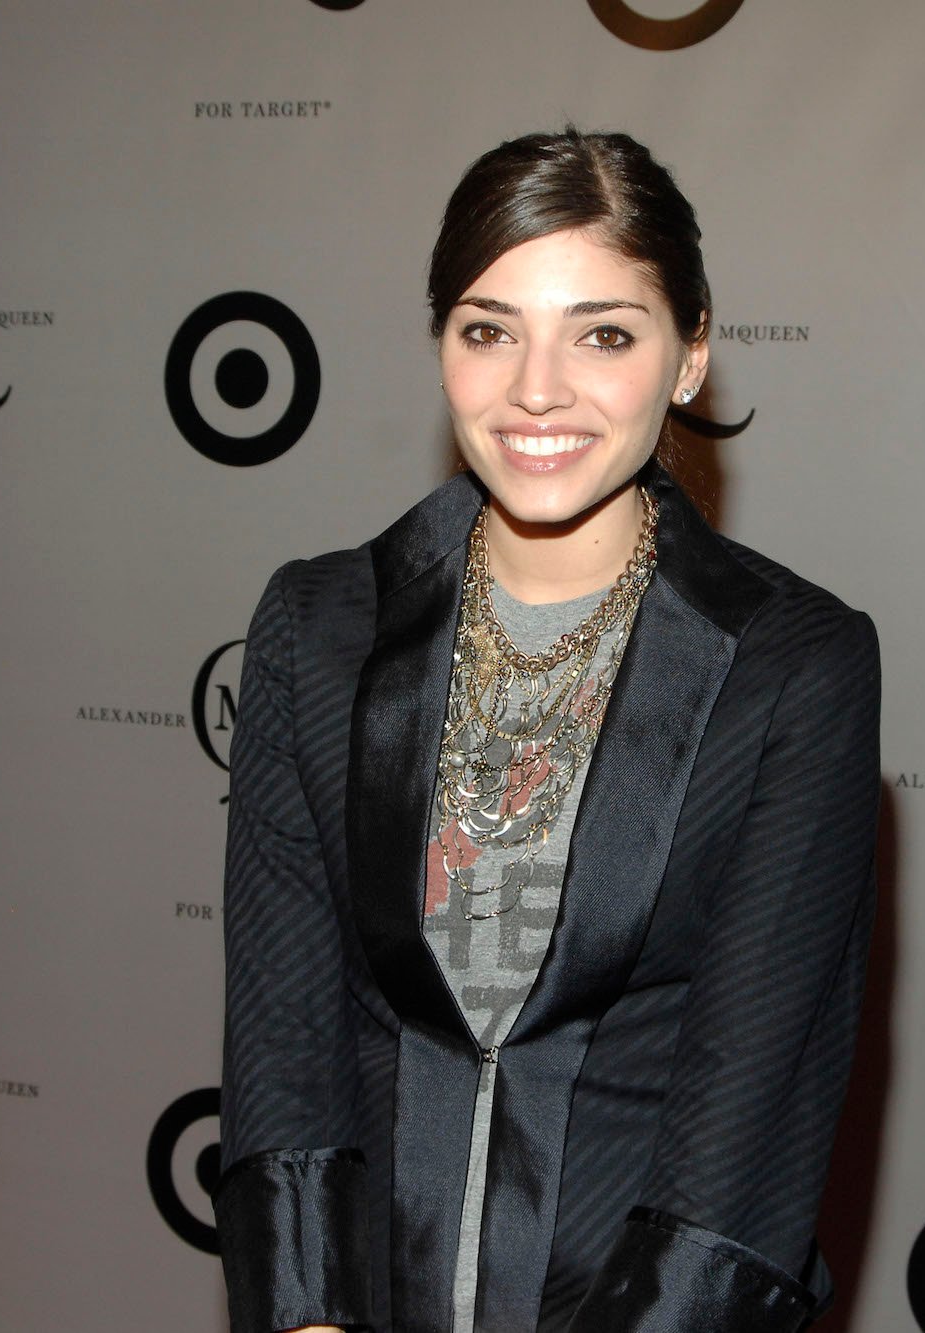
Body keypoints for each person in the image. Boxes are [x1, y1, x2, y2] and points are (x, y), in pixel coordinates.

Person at [217, 127, 880, 1333]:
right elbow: (283, 1040)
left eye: (604, 333)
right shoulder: (313, 629)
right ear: (440, 346)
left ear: (690, 356)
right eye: (488, 329)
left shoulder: (793, 666)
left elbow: (748, 1119)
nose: (536, 387)